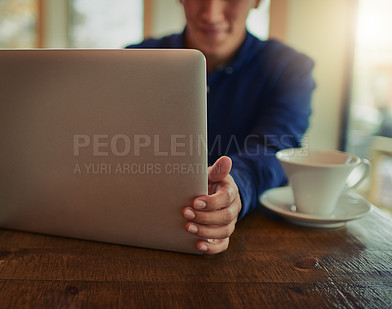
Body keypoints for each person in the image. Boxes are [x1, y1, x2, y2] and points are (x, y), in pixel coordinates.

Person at [128, 0, 315, 254]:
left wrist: (235, 187)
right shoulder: (133, 61)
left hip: (256, 244)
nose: (211, 14)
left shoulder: (289, 68)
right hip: (140, 229)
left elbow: (275, 146)